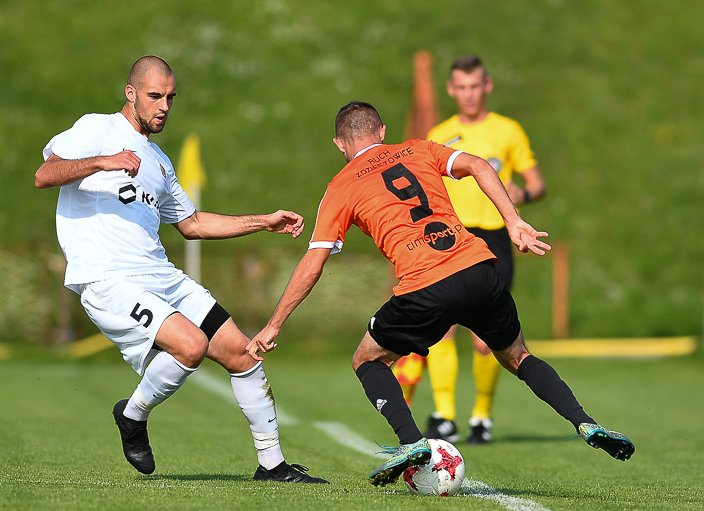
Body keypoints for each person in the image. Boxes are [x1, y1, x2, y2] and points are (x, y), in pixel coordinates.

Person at [248, 101, 634, 487]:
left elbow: (313, 265)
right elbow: (479, 165)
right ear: (382, 131)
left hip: (425, 285)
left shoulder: (340, 186)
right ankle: (584, 421)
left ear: (339, 143)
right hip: (478, 268)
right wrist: (513, 221)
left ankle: (411, 441)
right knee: (518, 356)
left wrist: (274, 324)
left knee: (367, 359)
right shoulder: (419, 148)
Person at [34, 55, 327, 484]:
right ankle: (132, 415)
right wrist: (103, 161)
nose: (164, 106)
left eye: (170, 97)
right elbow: (45, 174)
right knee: (190, 346)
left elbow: (193, 224)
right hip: (108, 277)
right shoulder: (96, 129)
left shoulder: (159, 161)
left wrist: (263, 221)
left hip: (160, 275)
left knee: (242, 354)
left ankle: (272, 466)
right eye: (155, 96)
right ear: (131, 93)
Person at [393, 54, 546, 445]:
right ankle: (445, 415)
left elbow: (536, 183)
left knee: (485, 338)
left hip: (494, 238)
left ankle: (482, 416)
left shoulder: (508, 130)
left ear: (487, 85)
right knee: (442, 329)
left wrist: (522, 195)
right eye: (461, 87)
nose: (469, 94)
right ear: (451, 90)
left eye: (475, 86)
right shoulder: (440, 133)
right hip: (452, 238)